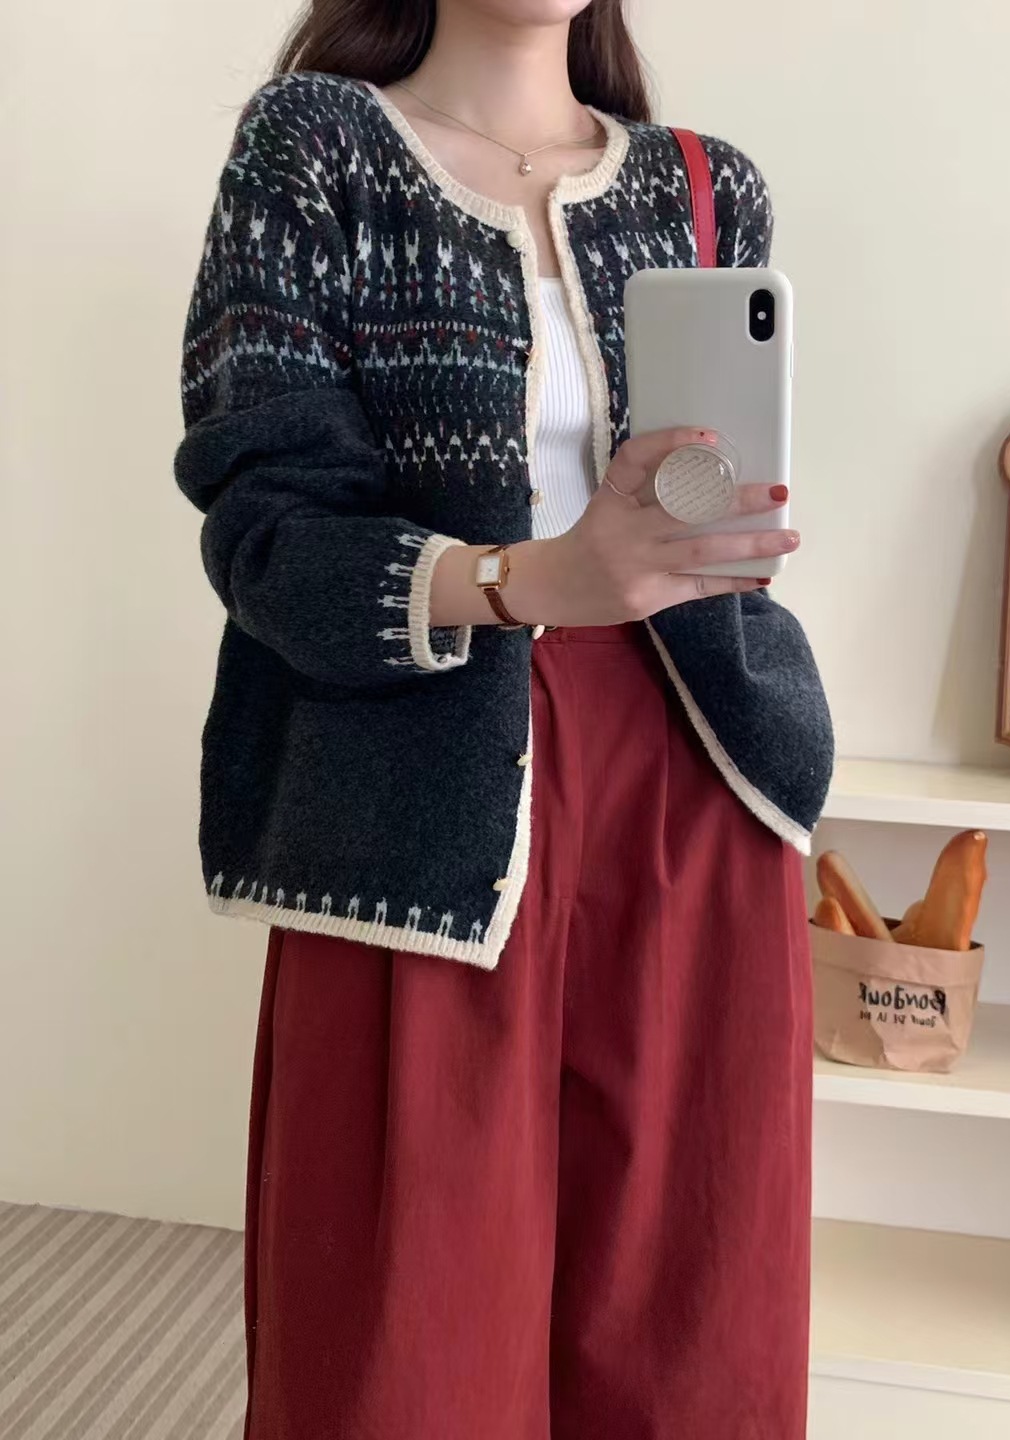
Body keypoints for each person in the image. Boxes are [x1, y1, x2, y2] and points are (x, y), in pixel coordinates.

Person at [174, 1, 834, 1435]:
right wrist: (531, 578)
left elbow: (718, 504)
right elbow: (268, 531)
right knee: (409, 1353)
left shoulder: (705, 184)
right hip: (416, 806)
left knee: (693, 1335)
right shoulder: (316, 149)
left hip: (694, 783)